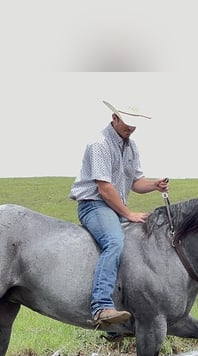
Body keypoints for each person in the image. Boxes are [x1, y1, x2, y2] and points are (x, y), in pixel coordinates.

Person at [69, 100, 169, 328]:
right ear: (114, 118)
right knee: (114, 242)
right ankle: (101, 307)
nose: (131, 128)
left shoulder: (131, 147)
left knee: (140, 244)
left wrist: (155, 185)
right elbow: (104, 188)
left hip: (114, 207)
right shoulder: (100, 144)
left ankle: (128, 309)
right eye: (127, 123)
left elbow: (137, 183)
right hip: (94, 204)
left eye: (134, 125)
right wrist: (129, 214)